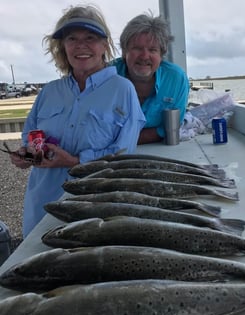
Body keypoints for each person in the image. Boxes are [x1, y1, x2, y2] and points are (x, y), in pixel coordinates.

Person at [10, 5, 146, 239]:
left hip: (95, 211)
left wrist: (74, 161)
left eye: (90, 38)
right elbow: (29, 139)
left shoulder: (123, 90)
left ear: (104, 45)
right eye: (72, 38)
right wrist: (25, 155)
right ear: (63, 46)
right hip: (41, 207)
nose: (81, 45)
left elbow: (124, 155)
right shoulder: (48, 92)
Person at [112, 12, 190, 144]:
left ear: (161, 55)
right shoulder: (107, 76)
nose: (144, 56)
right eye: (137, 48)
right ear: (124, 52)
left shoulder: (176, 78)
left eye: (152, 50)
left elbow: (168, 128)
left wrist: (124, 139)